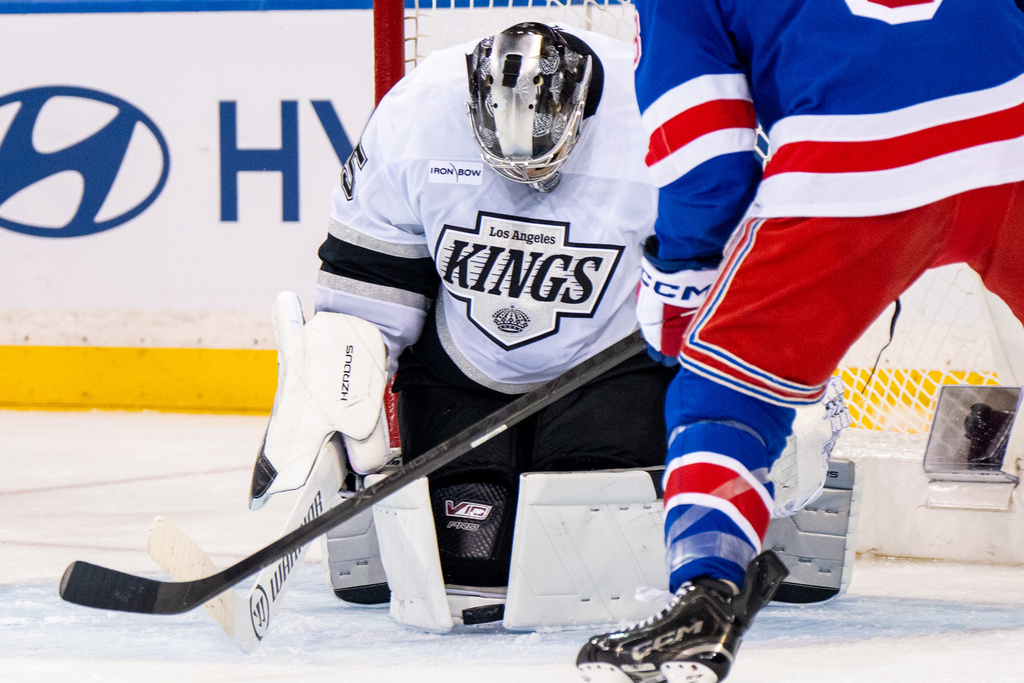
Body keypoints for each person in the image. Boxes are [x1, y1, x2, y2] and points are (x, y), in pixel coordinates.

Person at [575, 1, 1024, 682]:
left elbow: (705, 153)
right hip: (1012, 118)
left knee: (724, 394)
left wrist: (686, 284)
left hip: (859, 154)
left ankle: (707, 595)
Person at [315, 21, 675, 601]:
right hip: (464, 366)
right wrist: (337, 394)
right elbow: (369, 275)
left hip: (611, 362)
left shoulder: (660, 111)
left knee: (585, 562)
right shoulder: (417, 111)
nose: (528, 181)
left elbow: (727, 268)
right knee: (469, 565)